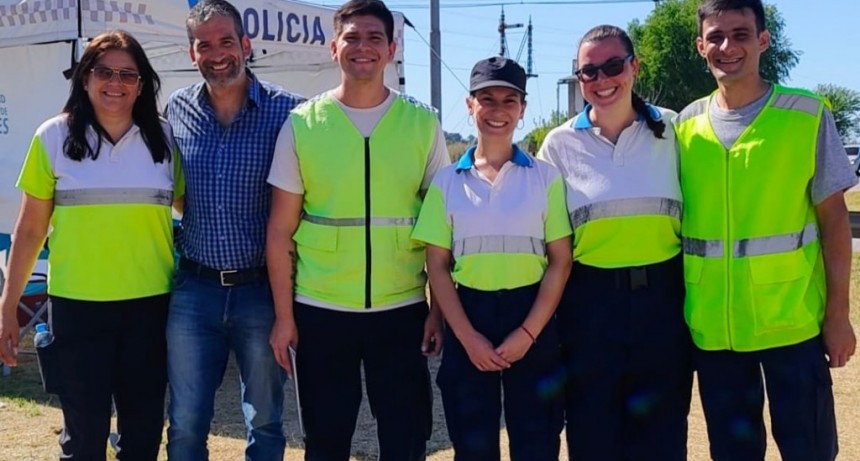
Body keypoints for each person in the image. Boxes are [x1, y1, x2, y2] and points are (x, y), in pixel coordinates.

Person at [265, 0, 449, 459]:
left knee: (406, 440)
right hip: (321, 311)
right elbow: (280, 231)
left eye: (373, 37)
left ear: (392, 48)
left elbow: (442, 229)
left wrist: (437, 311)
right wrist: (285, 318)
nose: (362, 47)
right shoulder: (303, 124)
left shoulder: (423, 124)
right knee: (326, 443)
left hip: (401, 309)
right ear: (333, 47)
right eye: (351, 37)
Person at [674, 1, 857, 459]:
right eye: (715, 37)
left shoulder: (807, 115)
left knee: (810, 450)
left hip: (792, 325)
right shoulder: (683, 127)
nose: (727, 46)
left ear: (763, 40)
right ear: (700, 47)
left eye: (740, 34)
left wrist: (838, 316)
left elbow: (835, 224)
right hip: (715, 332)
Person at [0, 30, 177, 460]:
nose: (115, 83)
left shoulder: (166, 139)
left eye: (127, 74)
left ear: (142, 83)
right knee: (84, 438)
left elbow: (193, 210)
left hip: (151, 308)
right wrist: (8, 306)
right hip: (78, 308)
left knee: (143, 433)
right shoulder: (52, 137)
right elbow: (28, 231)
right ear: (84, 78)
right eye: (103, 71)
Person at [537, 25, 693, 461]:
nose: (602, 80)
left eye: (613, 66)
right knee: (592, 433)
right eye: (589, 72)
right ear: (579, 78)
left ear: (634, 67)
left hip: (664, 305)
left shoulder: (675, 130)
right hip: (589, 309)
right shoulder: (559, 145)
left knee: (662, 436)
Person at [163, 0, 304, 459]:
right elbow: (176, 189)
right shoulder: (176, 109)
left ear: (246, 44)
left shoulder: (289, 113)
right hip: (194, 289)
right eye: (205, 45)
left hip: (261, 291)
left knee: (264, 422)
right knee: (184, 422)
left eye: (227, 41)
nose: (217, 53)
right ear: (191, 53)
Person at [412, 57, 572, 460]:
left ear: (522, 107)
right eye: (487, 99)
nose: (497, 110)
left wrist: (529, 333)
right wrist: (466, 338)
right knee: (473, 446)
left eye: (508, 99)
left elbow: (560, 261)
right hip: (470, 316)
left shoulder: (546, 177)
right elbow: (438, 267)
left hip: (531, 316)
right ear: (469, 105)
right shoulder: (447, 183)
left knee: (536, 443)